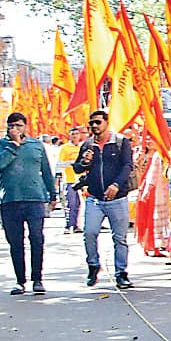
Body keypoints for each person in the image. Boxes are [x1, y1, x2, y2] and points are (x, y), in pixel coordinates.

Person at [0, 113, 56, 295]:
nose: (15, 129)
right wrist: (14, 145)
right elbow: (1, 164)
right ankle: (20, 281)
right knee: (15, 242)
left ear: (25, 127)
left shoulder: (36, 145)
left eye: (19, 125)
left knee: (37, 238)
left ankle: (38, 279)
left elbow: (46, 171)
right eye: (11, 125)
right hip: (10, 200)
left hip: (34, 198)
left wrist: (52, 194)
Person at [74, 109, 136, 289]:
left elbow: (127, 165)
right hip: (94, 198)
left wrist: (116, 185)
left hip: (117, 198)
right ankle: (93, 265)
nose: (94, 126)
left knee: (120, 238)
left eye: (97, 122)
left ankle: (121, 273)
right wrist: (85, 162)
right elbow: (78, 168)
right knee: (90, 232)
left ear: (106, 123)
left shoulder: (119, 142)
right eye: (91, 123)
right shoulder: (87, 145)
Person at [58, 125, 85, 233]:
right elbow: (59, 163)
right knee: (70, 203)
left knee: (79, 204)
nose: (75, 136)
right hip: (69, 179)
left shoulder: (82, 148)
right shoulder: (65, 148)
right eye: (73, 134)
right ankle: (69, 225)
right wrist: (71, 163)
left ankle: (77, 225)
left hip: (82, 180)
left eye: (77, 134)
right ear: (69, 136)